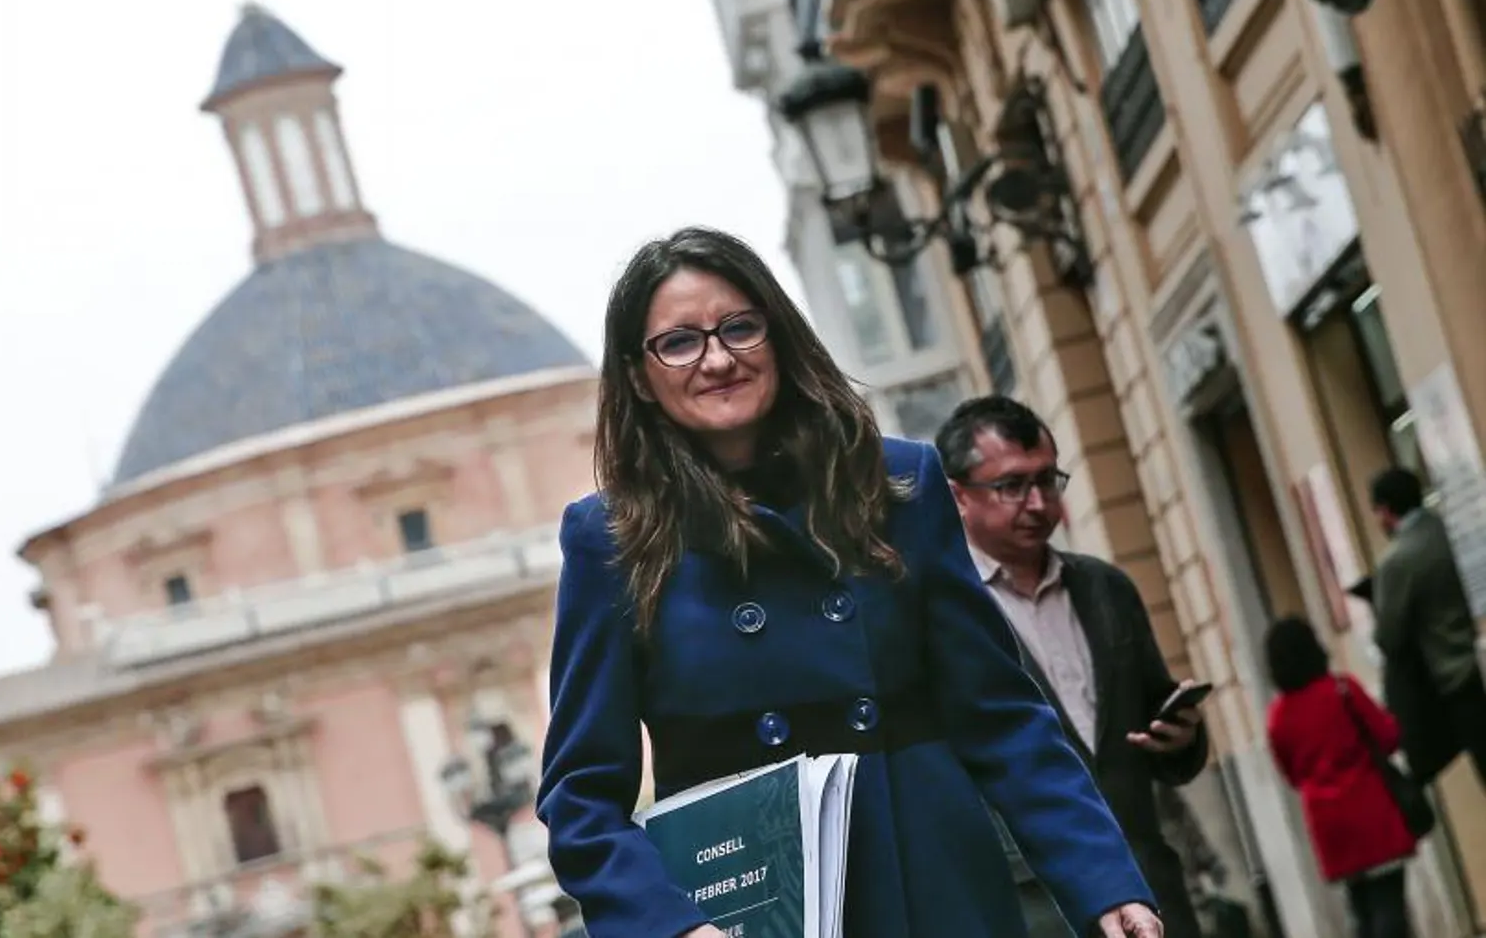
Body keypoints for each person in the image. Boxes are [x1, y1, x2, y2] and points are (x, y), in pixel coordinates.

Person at [536, 227, 1162, 938]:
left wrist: (1104, 882)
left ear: (779, 336)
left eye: (740, 327)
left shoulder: (900, 484)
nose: (717, 358)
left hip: (932, 880)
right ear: (640, 376)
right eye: (679, 342)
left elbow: (1001, 716)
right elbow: (581, 796)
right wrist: (670, 924)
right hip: (751, 901)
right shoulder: (610, 538)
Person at [932, 396, 1209, 938]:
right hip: (1041, 908)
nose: (1037, 503)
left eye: (1047, 481)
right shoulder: (943, 613)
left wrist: (1182, 741)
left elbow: (1151, 721)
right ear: (956, 496)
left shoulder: (1106, 589)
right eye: (1011, 486)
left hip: (1150, 889)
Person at [1264, 615, 1418, 938]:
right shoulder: (1341, 690)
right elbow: (1387, 736)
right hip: (1370, 810)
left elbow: (1291, 774)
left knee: (1361, 911)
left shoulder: (1278, 718)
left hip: (1328, 824)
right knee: (1389, 905)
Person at [1368, 466, 1486, 784]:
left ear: (1387, 510)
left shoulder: (1398, 560)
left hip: (1453, 679)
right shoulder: (1446, 530)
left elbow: (1389, 636)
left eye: (1377, 512)